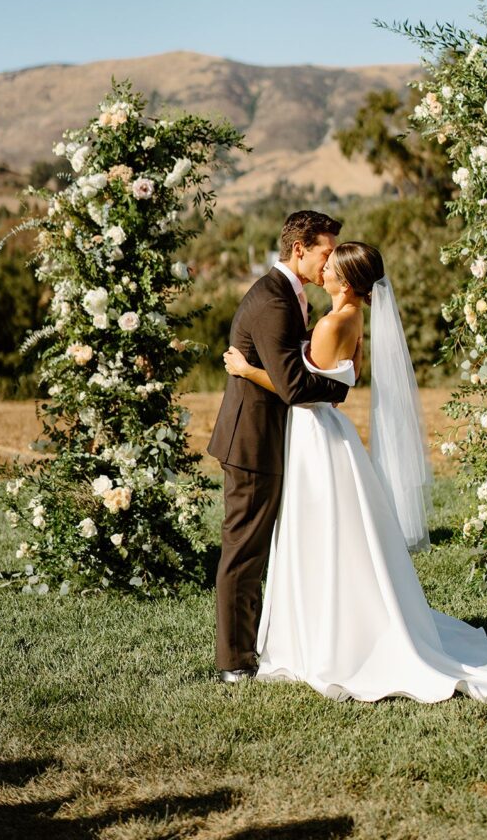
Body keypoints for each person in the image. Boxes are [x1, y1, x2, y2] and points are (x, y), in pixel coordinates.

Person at [223, 241, 487, 706]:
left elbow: (303, 390)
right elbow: (341, 378)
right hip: (330, 431)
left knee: (316, 533)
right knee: (337, 532)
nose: (326, 271)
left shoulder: (331, 321)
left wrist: (246, 368)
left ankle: (325, 639)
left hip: (314, 433)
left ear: (346, 282)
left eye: (333, 268)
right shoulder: (353, 319)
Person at [207, 211, 350, 683]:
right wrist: (340, 386)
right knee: (244, 551)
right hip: (251, 443)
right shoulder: (273, 300)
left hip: (269, 438)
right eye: (326, 253)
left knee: (256, 549)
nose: (331, 263)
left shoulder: (289, 295)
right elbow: (291, 386)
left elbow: (293, 356)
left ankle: (258, 645)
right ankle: (233, 662)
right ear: (299, 250)